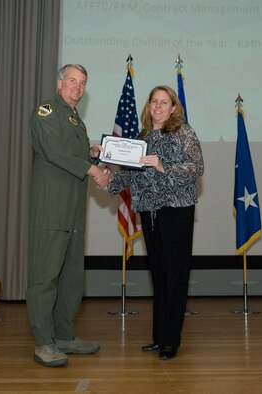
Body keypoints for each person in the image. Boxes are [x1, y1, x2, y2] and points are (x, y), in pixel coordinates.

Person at [107, 85, 204, 360]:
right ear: (148, 106)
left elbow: (198, 168)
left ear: (174, 107)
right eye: (154, 101)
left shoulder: (183, 132)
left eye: (164, 102)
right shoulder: (142, 136)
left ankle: (171, 339)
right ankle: (159, 336)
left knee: (175, 275)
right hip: (148, 211)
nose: (158, 106)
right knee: (159, 274)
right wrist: (105, 175)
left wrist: (164, 167)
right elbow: (130, 175)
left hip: (176, 211)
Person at [26, 64, 111, 367]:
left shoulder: (75, 119)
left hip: (73, 207)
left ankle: (63, 334)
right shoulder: (47, 111)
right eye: (72, 81)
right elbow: (54, 151)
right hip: (52, 206)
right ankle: (43, 341)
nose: (77, 86)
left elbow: (71, 153)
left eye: (82, 82)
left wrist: (91, 153)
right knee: (46, 275)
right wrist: (92, 169)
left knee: (71, 275)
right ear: (60, 82)